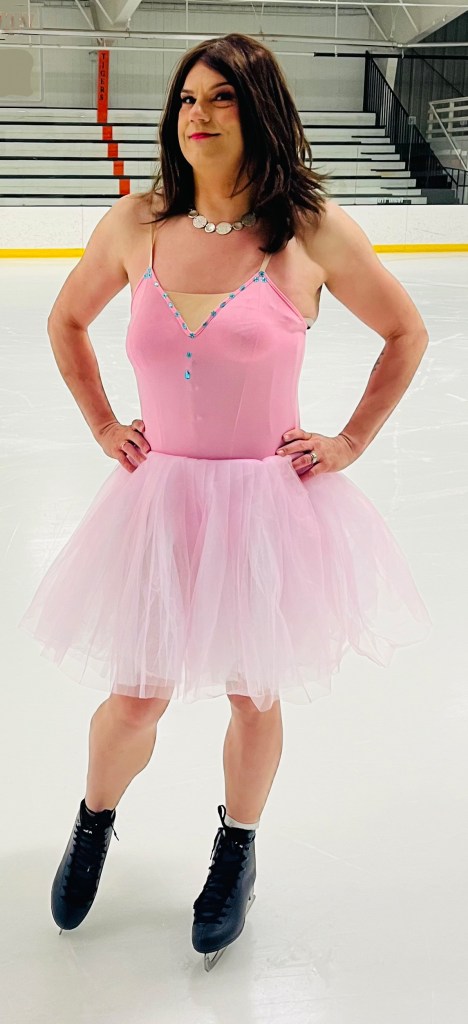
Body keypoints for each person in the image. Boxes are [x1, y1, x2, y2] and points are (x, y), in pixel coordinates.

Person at [18, 33, 432, 971]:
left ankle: (236, 851)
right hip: (157, 506)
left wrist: (350, 440)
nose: (197, 115)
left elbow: (406, 331)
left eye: (222, 98)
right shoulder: (137, 222)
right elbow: (66, 319)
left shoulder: (309, 231)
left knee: (254, 691)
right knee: (135, 699)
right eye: (186, 99)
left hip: (263, 510)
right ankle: (93, 821)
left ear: (261, 111)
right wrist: (101, 423)